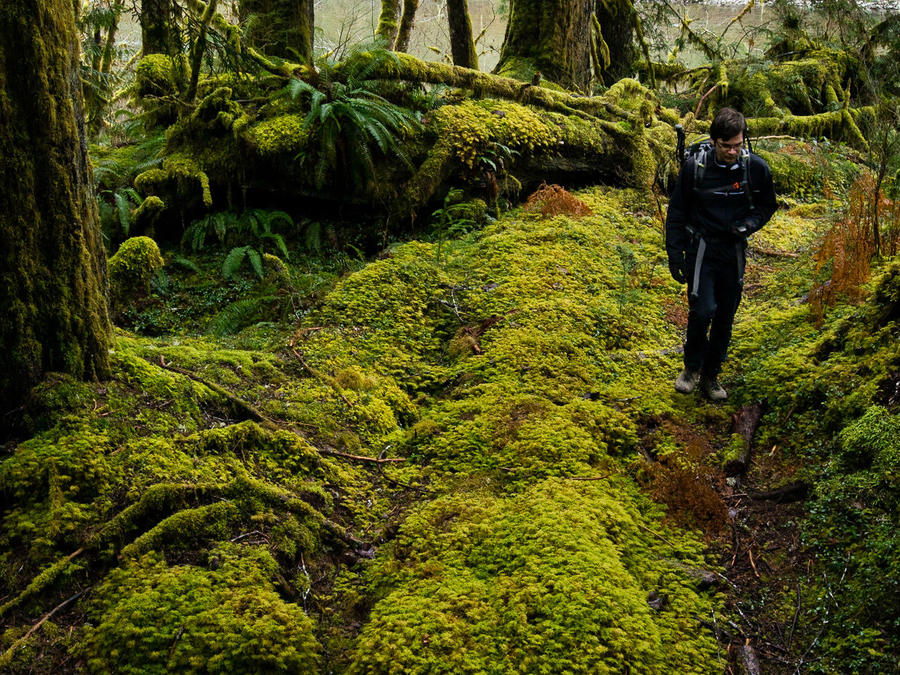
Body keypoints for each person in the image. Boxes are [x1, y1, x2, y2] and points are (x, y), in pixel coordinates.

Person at [665, 107, 777, 400]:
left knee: (725, 316)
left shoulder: (755, 168)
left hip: (734, 250)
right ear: (714, 141)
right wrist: (675, 253)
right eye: (727, 146)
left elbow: (768, 205)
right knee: (702, 311)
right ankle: (691, 369)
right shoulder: (695, 168)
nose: (732, 151)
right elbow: (676, 210)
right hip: (702, 247)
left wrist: (749, 225)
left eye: (738, 145)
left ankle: (712, 377)